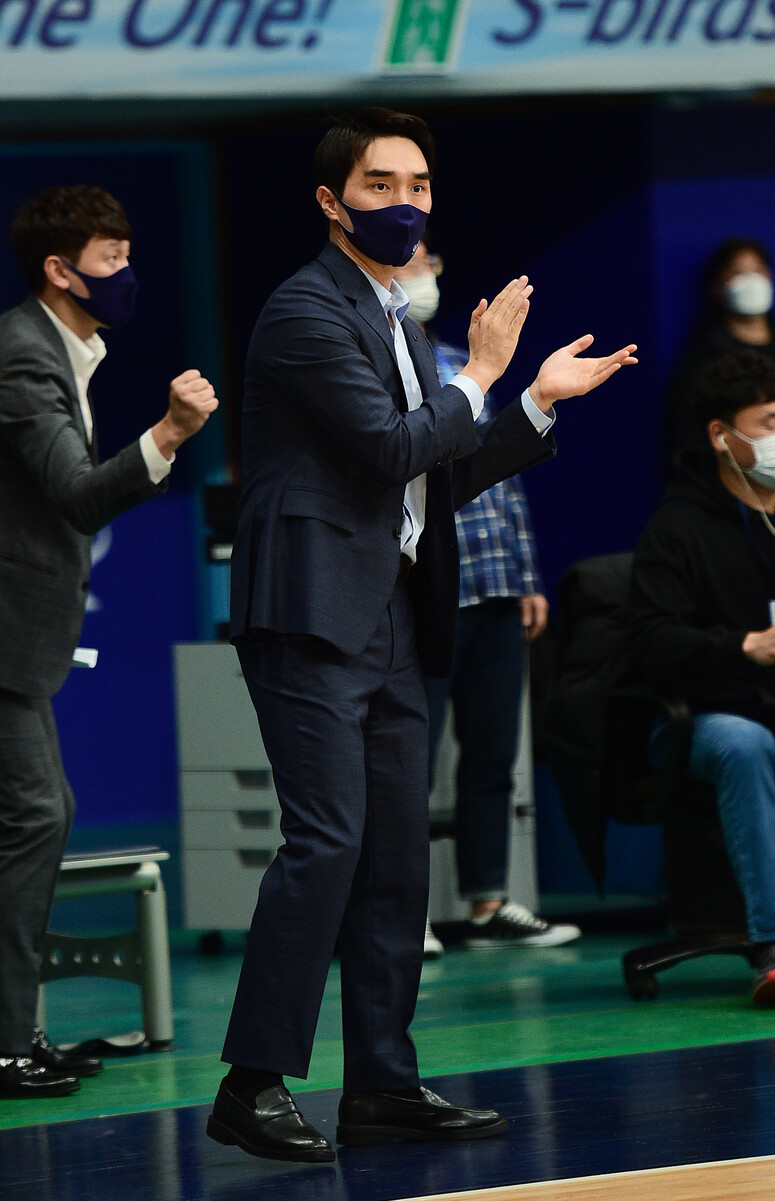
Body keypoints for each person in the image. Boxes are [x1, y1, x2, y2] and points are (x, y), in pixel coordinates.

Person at [210, 107, 636, 1165]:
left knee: (398, 855)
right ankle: (251, 1084)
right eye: (380, 185)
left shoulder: (398, 319)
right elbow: (387, 446)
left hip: (394, 610)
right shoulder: (304, 310)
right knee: (327, 842)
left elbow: (432, 475)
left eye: (419, 186)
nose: (404, 203)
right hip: (309, 610)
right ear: (331, 201)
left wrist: (531, 402)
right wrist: (480, 372)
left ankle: (382, 1083)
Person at [0, 185, 218, 1099]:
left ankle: (12, 1033)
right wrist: (171, 433)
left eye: (125, 254)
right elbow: (77, 494)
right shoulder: (22, 355)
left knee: (37, 816)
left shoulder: (58, 346)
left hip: (7, 630)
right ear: (59, 270)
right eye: (110, 260)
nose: (126, 273)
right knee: (35, 816)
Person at [393, 242, 581, 954]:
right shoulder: (387, 363)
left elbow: (507, 476)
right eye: (411, 260)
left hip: (496, 582)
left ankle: (488, 901)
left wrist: (526, 576)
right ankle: (400, 910)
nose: (424, 272)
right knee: (408, 755)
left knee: (493, 754)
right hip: (429, 586)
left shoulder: (464, 362)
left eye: (430, 260)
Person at [628, 349, 775, 1007]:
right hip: (695, 717)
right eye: (769, 421)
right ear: (721, 435)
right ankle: (772, 946)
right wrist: (743, 646)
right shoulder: (677, 526)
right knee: (745, 745)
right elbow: (649, 643)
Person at [668, 238, 775, 453]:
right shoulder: (703, 359)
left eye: (758, 270)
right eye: (737, 272)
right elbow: (689, 438)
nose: (751, 280)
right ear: (717, 286)